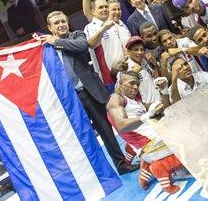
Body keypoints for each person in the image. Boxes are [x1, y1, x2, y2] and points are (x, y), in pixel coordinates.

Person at [40, 11, 138, 175]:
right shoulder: (45, 49)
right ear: (50, 27)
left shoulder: (76, 35)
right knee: (83, 137)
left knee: (106, 130)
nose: (61, 25)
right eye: (56, 23)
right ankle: (95, 174)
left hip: (90, 91)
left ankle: (122, 165)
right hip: (69, 98)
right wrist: (51, 43)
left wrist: (56, 41)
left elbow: (83, 46)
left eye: (63, 21)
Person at [107, 71, 183, 194]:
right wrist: (146, 116)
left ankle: (146, 165)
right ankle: (161, 167)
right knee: (191, 142)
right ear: (120, 83)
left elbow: (164, 109)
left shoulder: (135, 102)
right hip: (150, 145)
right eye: (132, 83)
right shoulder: (115, 98)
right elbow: (121, 125)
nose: (136, 87)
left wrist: (164, 91)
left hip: (152, 143)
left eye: (137, 84)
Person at [120, 36, 162, 104]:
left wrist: (155, 65)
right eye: (136, 50)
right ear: (128, 51)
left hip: (158, 101)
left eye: (142, 49)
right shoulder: (125, 67)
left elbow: (155, 80)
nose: (140, 52)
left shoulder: (143, 61)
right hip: (146, 108)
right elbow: (118, 92)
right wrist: (133, 73)